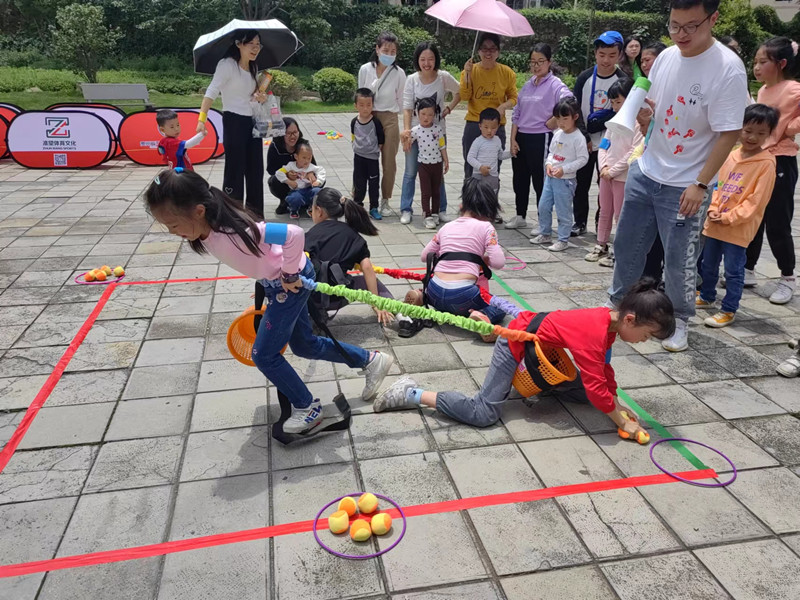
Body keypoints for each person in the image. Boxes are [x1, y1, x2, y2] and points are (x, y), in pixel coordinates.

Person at [144, 169, 393, 434]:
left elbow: (293, 234)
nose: (172, 232)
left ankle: (307, 407)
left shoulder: (238, 231)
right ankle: (371, 360)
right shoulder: (207, 232)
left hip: (290, 284)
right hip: (278, 284)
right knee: (305, 345)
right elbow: (261, 258)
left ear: (198, 211)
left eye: (173, 225)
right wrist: (267, 280)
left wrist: (288, 273)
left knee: (263, 355)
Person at [608, 0, 749, 352]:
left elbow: (729, 133)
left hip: (687, 183)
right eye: (674, 25)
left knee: (679, 260)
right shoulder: (667, 57)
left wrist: (700, 184)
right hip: (647, 169)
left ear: (713, 19)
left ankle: (679, 320)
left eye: (690, 26)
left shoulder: (728, 68)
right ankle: (619, 306)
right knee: (626, 245)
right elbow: (657, 109)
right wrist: (644, 120)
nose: (680, 34)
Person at [374, 279, 674, 442]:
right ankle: (410, 392)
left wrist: (617, 404)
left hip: (540, 351)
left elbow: (603, 372)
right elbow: (598, 387)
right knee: (483, 413)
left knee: (591, 395)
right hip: (515, 341)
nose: (643, 341)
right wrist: (621, 421)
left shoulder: (609, 322)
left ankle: (541, 385)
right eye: (646, 335)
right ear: (630, 319)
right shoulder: (594, 331)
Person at [697, 104, 778, 327]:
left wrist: (729, 217)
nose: (752, 137)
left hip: (737, 228)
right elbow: (718, 185)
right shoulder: (730, 155)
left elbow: (756, 201)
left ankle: (729, 309)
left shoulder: (766, 163)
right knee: (708, 264)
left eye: (761, 133)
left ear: (769, 134)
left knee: (733, 271)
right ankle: (707, 295)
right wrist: (713, 208)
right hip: (715, 223)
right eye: (748, 130)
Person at [403, 178, 506, 341]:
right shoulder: (487, 228)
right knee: (500, 307)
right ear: (489, 208)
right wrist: (483, 259)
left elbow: (425, 256)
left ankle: (422, 296)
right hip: (464, 296)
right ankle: (482, 315)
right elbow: (499, 262)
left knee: (443, 298)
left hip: (435, 291)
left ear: (462, 205)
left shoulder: (446, 227)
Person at [744, 36, 800, 304]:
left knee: (777, 221)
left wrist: (790, 128)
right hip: (760, 158)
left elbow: (788, 124)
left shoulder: (794, 89)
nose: (757, 67)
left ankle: (787, 277)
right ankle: (747, 268)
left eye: (763, 61)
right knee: (753, 216)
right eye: (755, 62)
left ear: (782, 63)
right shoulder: (765, 91)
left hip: (781, 161)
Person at [197, 29, 266, 218]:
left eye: (258, 44)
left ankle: (255, 215)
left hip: (252, 122)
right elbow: (212, 91)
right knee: (235, 170)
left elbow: (249, 98)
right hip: (234, 121)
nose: (255, 48)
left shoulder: (253, 67)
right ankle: (233, 214)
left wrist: (259, 98)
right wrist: (202, 119)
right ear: (238, 44)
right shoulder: (227, 65)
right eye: (251, 44)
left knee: (255, 170)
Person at [305, 188, 394, 326]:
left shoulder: (311, 235)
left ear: (319, 210)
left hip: (312, 298)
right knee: (370, 282)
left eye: (311, 210)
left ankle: (312, 316)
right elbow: (367, 267)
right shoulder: (353, 235)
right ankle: (401, 316)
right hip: (340, 295)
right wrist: (376, 303)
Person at [508, 43, 573, 230]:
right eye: (533, 62)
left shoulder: (555, 84)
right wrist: (512, 139)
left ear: (549, 62)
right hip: (521, 137)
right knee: (520, 179)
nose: (536, 66)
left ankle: (543, 221)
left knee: (541, 181)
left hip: (541, 138)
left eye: (540, 61)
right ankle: (520, 215)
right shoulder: (528, 85)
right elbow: (517, 113)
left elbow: (570, 101)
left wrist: (554, 121)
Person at [399, 41, 461, 226]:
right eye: (423, 59)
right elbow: (407, 108)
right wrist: (407, 132)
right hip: (415, 133)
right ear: (417, 60)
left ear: (436, 59)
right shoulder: (412, 79)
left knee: (437, 172)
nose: (427, 63)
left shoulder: (443, 77)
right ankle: (406, 209)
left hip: (437, 133)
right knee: (410, 172)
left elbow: (460, 92)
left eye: (431, 59)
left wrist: (448, 109)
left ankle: (441, 210)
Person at [571, 31, 626, 237]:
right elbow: (575, 108)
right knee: (580, 183)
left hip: (611, 143)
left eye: (612, 55)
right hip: (585, 141)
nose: (606, 60)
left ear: (620, 55)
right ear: (595, 53)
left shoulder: (623, 80)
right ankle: (579, 221)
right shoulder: (584, 77)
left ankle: (600, 223)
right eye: (602, 54)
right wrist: (584, 136)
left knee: (605, 184)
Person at [586, 79, 642, 267]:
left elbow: (633, 152)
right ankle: (601, 244)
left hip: (622, 178)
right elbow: (603, 145)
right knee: (604, 210)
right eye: (612, 102)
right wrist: (603, 168)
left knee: (620, 215)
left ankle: (619, 252)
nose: (615, 106)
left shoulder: (638, 123)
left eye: (619, 102)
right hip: (606, 175)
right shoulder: (613, 122)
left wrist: (614, 170)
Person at [531, 97, 590, 252]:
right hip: (550, 178)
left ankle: (563, 239)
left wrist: (565, 169)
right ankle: (545, 233)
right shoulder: (558, 133)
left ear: (575, 117)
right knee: (543, 205)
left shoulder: (578, 137)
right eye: (558, 119)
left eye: (565, 119)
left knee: (563, 211)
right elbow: (551, 152)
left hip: (565, 181)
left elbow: (583, 159)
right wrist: (549, 164)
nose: (561, 122)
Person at [459, 33, 518, 189]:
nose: (488, 53)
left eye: (492, 49)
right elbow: (465, 96)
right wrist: (467, 75)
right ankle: (470, 201)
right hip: (474, 124)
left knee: (493, 168)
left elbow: (514, 98)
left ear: (498, 52)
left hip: (497, 125)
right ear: (478, 51)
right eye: (484, 49)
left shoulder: (507, 72)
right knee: (471, 168)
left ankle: (490, 201)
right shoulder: (470, 70)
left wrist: (503, 107)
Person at [358, 31, 407, 216]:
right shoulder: (365, 69)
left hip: (390, 118)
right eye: (386, 50)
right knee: (364, 159)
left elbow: (401, 100)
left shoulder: (399, 73)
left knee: (389, 162)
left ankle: (385, 200)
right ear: (377, 49)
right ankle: (358, 198)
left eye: (393, 51)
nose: (389, 54)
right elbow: (360, 94)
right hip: (369, 117)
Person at [637, 41, 668, 285]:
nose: (645, 64)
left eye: (649, 60)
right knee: (646, 229)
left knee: (663, 233)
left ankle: (658, 279)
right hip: (649, 162)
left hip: (669, 171)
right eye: (643, 61)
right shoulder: (644, 88)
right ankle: (648, 279)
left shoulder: (668, 88)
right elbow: (645, 130)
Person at [408, 97, 449, 229]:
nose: (426, 117)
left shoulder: (438, 129)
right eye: (423, 114)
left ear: (435, 115)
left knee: (436, 191)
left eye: (430, 114)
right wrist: (404, 139)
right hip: (423, 165)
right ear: (417, 113)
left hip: (437, 164)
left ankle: (435, 213)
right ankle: (427, 215)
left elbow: (442, 146)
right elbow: (407, 142)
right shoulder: (415, 130)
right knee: (426, 192)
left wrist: (446, 160)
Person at [268, 118, 315, 215]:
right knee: (274, 180)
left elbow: (313, 164)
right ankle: (285, 201)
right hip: (286, 182)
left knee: (319, 178)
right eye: (288, 133)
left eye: (295, 132)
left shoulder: (304, 145)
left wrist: (310, 173)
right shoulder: (275, 146)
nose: (292, 136)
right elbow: (271, 169)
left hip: (303, 178)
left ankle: (307, 201)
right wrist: (287, 175)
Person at [351, 88, 385, 220]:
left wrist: (375, 150)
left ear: (372, 105)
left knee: (373, 184)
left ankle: (374, 207)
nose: (365, 108)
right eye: (361, 105)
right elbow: (353, 136)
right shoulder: (354, 121)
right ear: (356, 106)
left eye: (368, 105)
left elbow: (381, 138)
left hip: (372, 159)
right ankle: (357, 206)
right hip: (358, 157)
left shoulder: (375, 122)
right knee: (359, 183)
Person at [274, 141, 326, 219]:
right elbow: (279, 172)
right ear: (296, 157)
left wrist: (318, 181)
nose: (306, 161)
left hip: (309, 189)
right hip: (296, 191)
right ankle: (293, 209)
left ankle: (312, 208)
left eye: (309, 158)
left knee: (318, 191)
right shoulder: (290, 166)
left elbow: (321, 170)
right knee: (294, 198)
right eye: (304, 158)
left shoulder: (311, 167)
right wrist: (288, 181)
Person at [466, 108, 512, 195]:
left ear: (498, 126)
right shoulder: (478, 141)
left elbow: (500, 156)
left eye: (493, 128)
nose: (489, 131)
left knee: (491, 197)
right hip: (479, 176)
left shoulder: (497, 140)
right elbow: (470, 158)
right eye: (486, 127)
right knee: (478, 198)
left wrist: (511, 153)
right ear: (480, 126)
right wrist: (480, 167)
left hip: (493, 176)